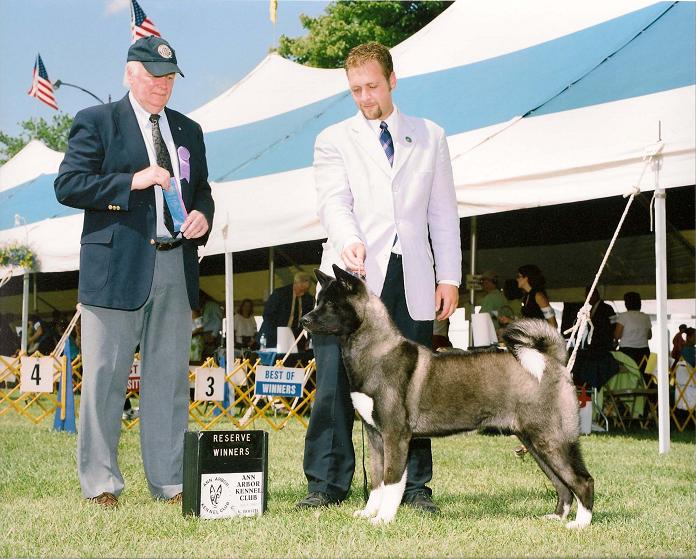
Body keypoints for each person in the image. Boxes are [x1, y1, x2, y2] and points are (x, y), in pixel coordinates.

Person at [298, 42, 461, 513]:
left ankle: (412, 487)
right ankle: (327, 484)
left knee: (411, 386)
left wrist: (448, 276)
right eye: (355, 90)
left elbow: (443, 213)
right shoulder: (333, 138)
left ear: (392, 80)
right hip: (351, 279)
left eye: (372, 86)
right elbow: (334, 201)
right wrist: (348, 239)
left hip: (411, 278)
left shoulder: (431, 136)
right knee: (333, 384)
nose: (365, 97)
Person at [53, 36, 214, 508]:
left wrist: (202, 215)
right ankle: (102, 484)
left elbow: (201, 189)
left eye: (168, 78)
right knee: (105, 378)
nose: (162, 85)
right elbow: (69, 184)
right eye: (152, 76)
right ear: (129, 74)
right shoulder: (96, 121)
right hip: (115, 268)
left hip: (175, 263)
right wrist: (131, 181)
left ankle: (169, 483)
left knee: (168, 382)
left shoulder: (189, 129)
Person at [570, 286, 619, 389]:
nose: (587, 298)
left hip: (603, 346)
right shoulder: (586, 310)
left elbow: (614, 324)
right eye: (586, 296)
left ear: (596, 294)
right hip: (590, 347)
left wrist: (613, 339)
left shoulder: (608, 308)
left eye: (589, 295)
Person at [258, 272, 313, 350]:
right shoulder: (279, 294)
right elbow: (268, 315)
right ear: (295, 283)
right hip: (274, 335)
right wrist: (278, 334)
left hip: (294, 337)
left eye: (305, 290)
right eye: (301, 290)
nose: (302, 293)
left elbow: (309, 320)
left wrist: (309, 338)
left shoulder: (308, 299)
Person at [614, 291, 652, 373]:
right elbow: (649, 336)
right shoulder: (645, 317)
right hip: (643, 352)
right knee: (643, 376)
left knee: (627, 375)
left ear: (626, 304)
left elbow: (617, 335)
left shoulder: (623, 316)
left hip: (627, 352)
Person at [516, 264, 557, 329]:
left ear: (526, 278)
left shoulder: (539, 296)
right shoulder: (527, 296)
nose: (516, 279)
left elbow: (553, 324)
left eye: (518, 276)